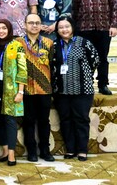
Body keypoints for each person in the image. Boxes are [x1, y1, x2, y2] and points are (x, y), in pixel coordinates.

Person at [52, 17, 98, 161]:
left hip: (82, 90)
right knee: (65, 120)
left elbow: (95, 59)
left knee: (81, 119)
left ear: (72, 27)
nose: (64, 30)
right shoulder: (54, 45)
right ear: (57, 30)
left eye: (67, 26)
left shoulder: (84, 43)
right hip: (62, 91)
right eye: (61, 27)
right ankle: (71, 149)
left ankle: (82, 150)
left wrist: (85, 75)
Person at [72, 0, 117, 95]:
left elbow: (115, 5)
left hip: (104, 27)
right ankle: (87, 84)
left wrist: (114, 25)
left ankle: (103, 84)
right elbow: (74, 8)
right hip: (84, 28)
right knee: (85, 58)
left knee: (102, 58)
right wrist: (74, 28)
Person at [0, 20, 26, 166]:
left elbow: (23, 70)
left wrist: (20, 91)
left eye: (4, 28)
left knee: (10, 121)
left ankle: (11, 153)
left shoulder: (17, 46)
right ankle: (4, 150)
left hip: (11, 90)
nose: (1, 31)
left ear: (9, 29)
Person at [19, 13, 55, 162]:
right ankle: (31, 151)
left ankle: (45, 151)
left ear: (41, 25)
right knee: (28, 121)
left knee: (44, 121)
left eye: (37, 23)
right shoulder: (18, 43)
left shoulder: (49, 43)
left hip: (44, 89)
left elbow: (52, 65)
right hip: (26, 89)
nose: (34, 25)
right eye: (31, 22)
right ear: (25, 25)